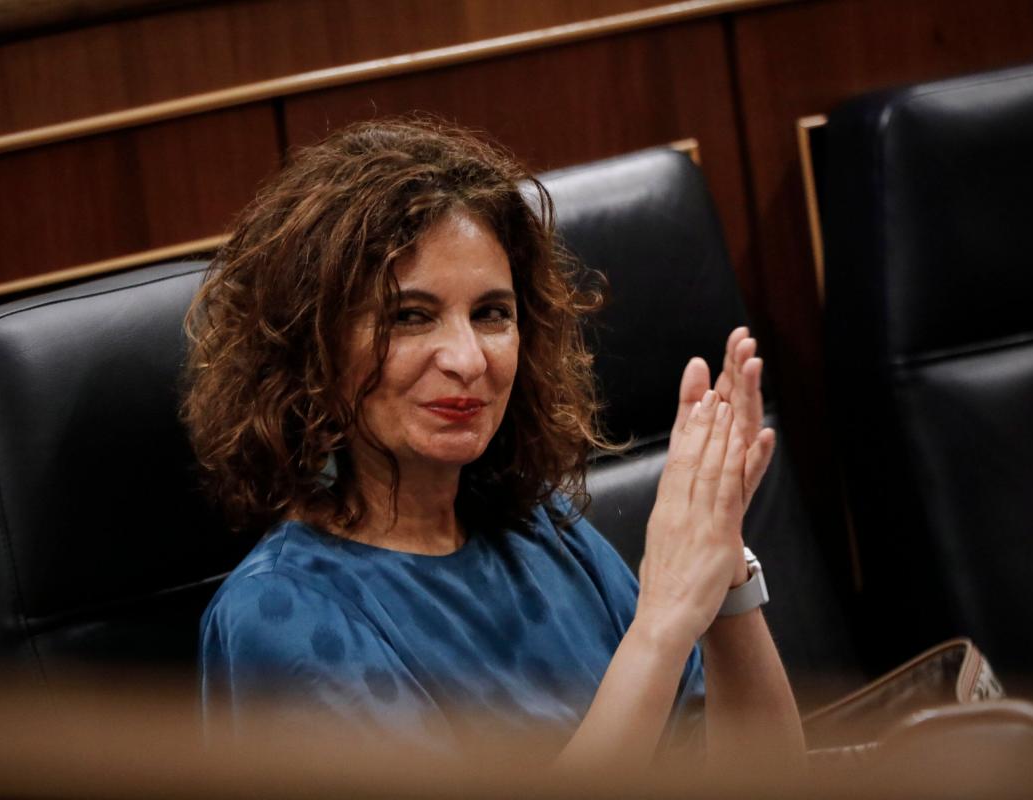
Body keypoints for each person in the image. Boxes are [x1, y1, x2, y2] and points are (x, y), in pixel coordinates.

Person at [183, 118, 804, 768]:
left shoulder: (543, 528)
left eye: (491, 314)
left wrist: (721, 570)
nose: (468, 358)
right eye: (410, 316)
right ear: (313, 347)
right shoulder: (278, 615)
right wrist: (663, 623)